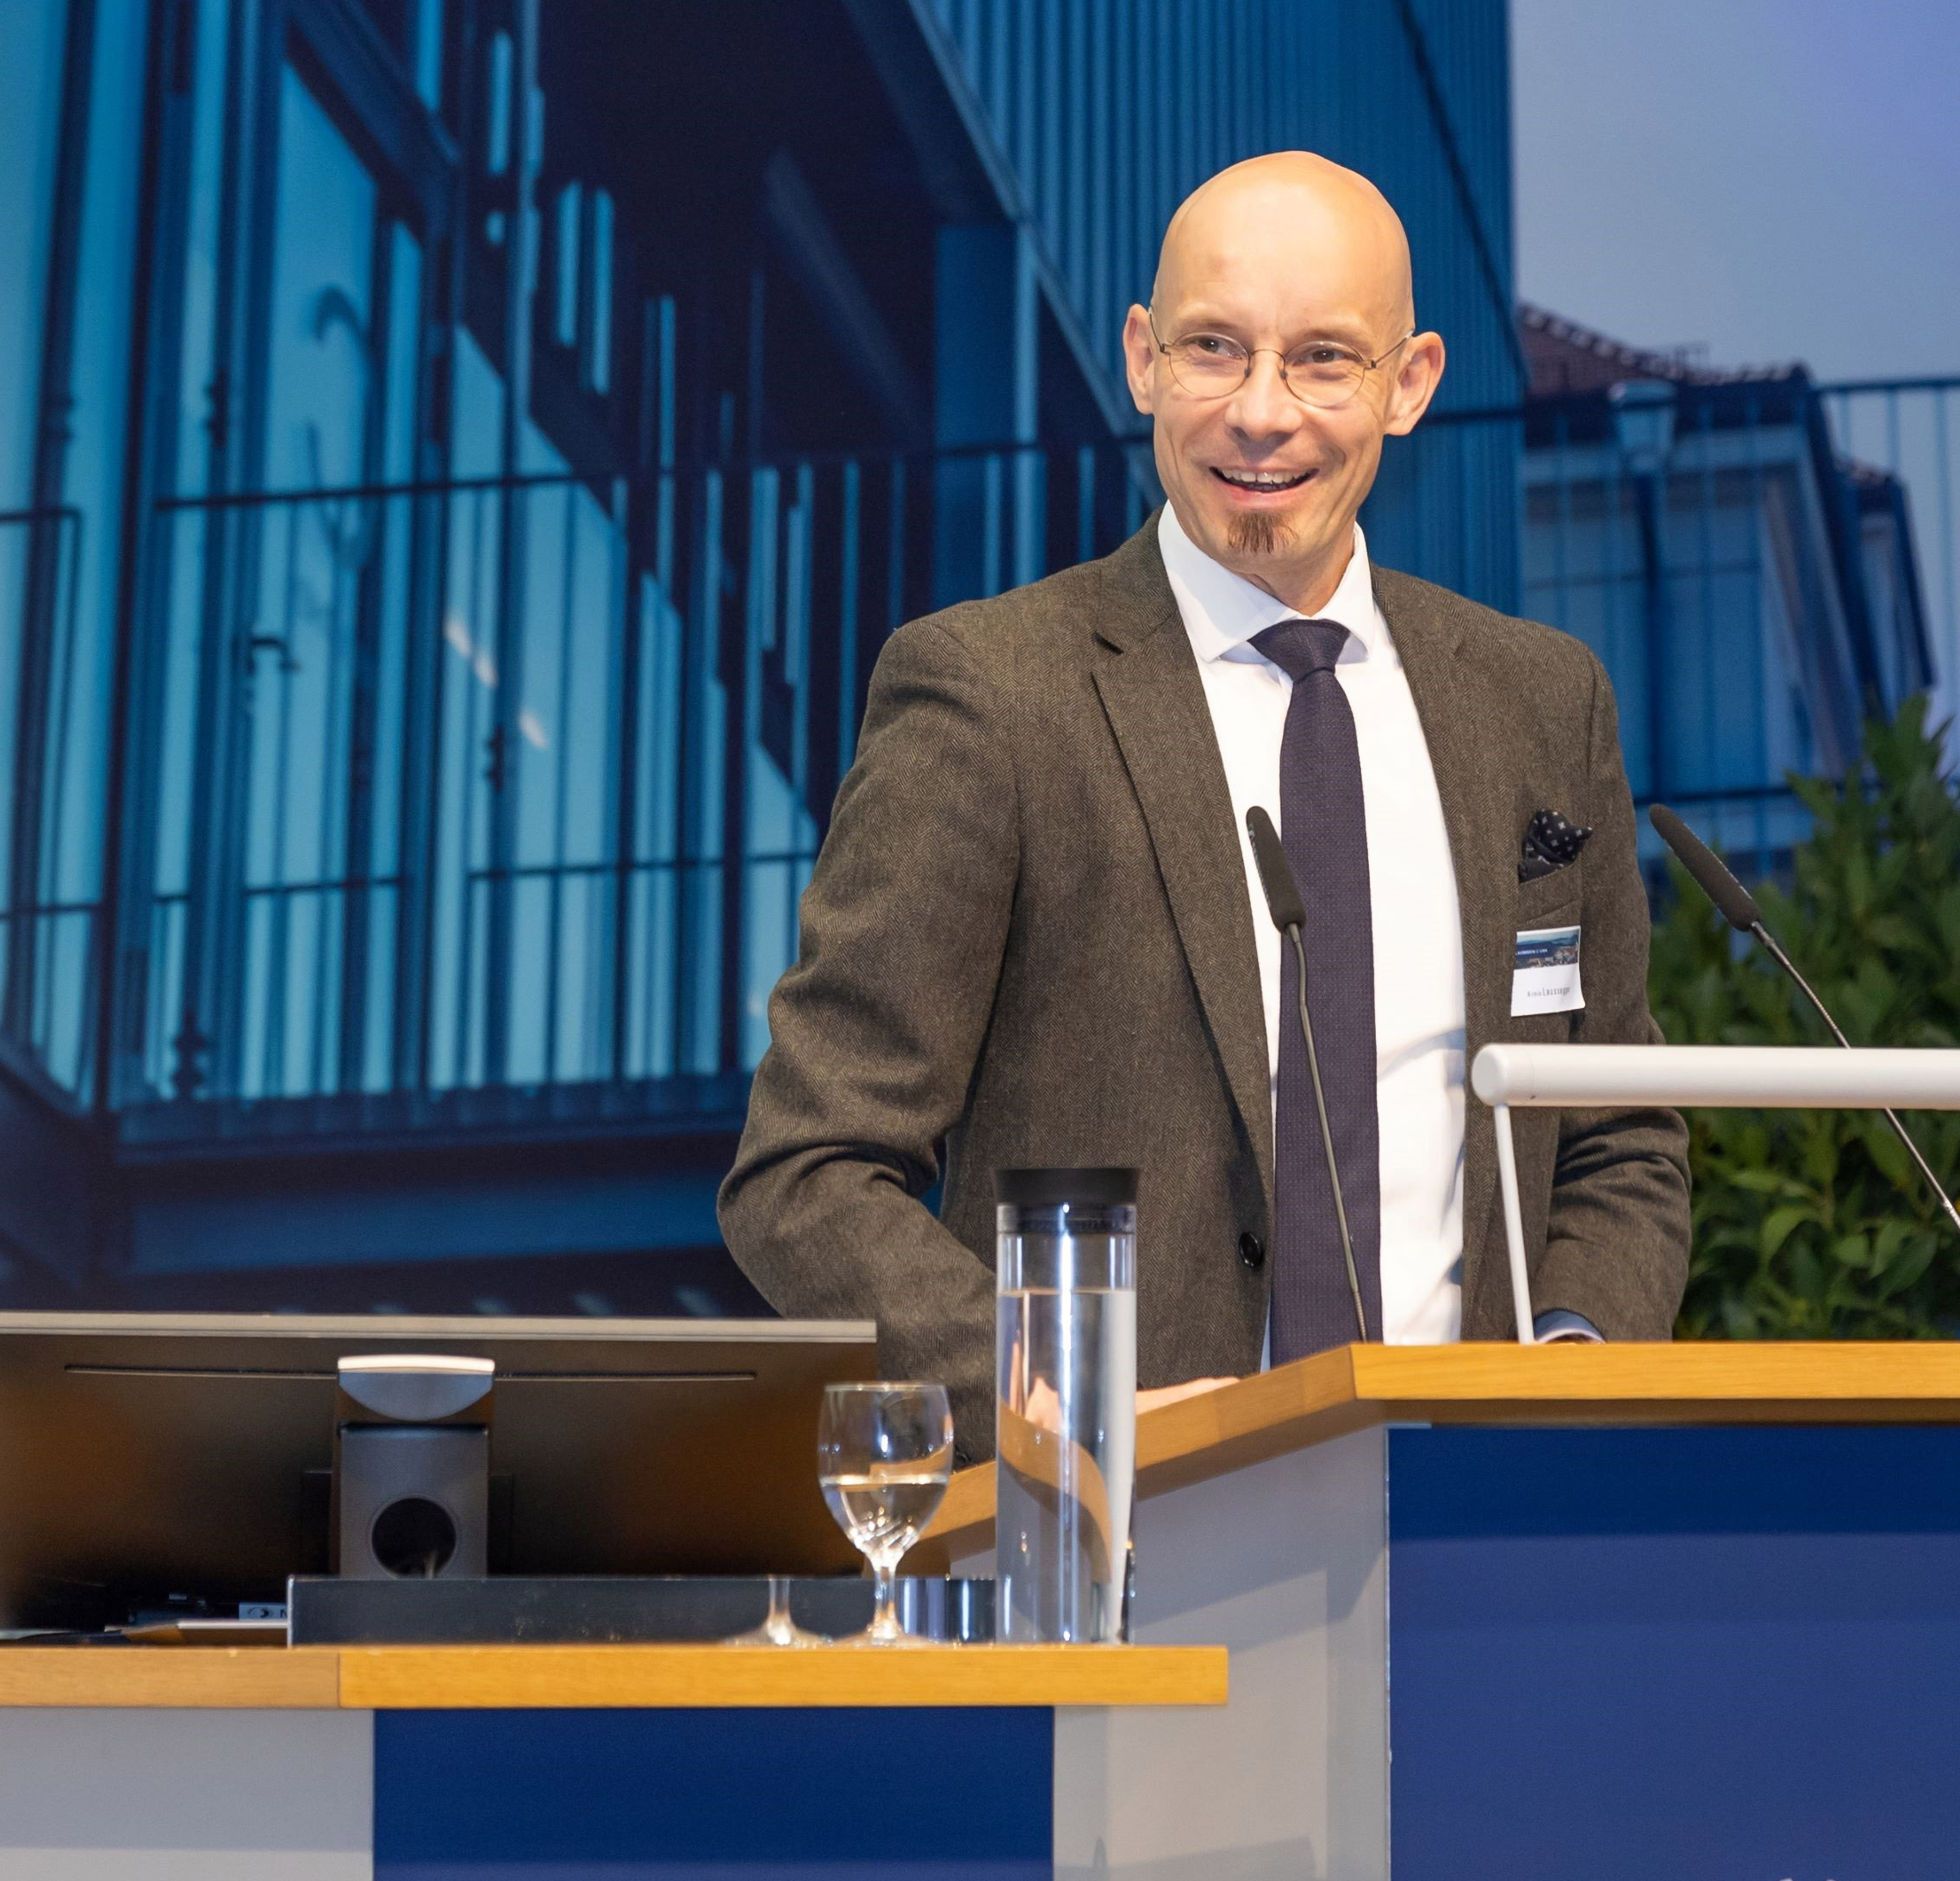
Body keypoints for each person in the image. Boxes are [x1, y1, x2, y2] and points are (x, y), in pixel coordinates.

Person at [719, 152, 1689, 1454]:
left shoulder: (1538, 702)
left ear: (1411, 385)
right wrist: (1066, 1402)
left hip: (1481, 1539)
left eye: (1325, 359)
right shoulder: (991, 694)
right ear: (1140, 358)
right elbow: (808, 1174)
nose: (1262, 412)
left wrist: (1569, 1377)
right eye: (1215, 348)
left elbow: (1617, 1135)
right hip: (1115, 1548)